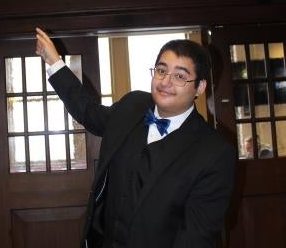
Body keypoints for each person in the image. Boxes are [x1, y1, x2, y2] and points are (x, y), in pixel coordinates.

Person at [35, 27, 236, 248]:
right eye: (161, 70)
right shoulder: (133, 106)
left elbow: (196, 237)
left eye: (180, 76)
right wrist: (54, 62)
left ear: (200, 87)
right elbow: (89, 113)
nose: (166, 82)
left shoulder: (214, 153)